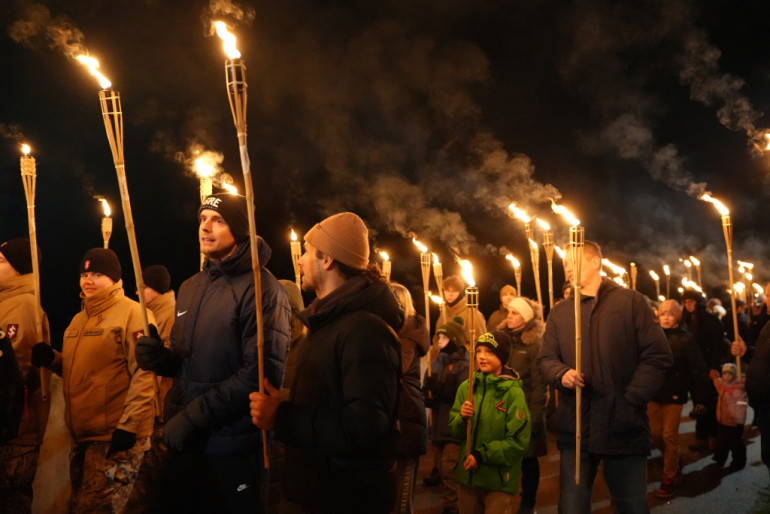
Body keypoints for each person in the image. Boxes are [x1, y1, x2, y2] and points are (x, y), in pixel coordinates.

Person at [134, 193, 291, 514]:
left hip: (232, 446)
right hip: (187, 442)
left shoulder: (263, 290)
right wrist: (159, 360)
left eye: (218, 220)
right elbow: (187, 360)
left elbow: (259, 374)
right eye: (202, 219)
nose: (205, 227)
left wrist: (194, 417)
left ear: (240, 229)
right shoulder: (192, 285)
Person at [249, 212, 402, 514]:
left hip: (342, 497)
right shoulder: (329, 324)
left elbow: (365, 429)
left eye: (307, 252)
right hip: (316, 491)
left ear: (328, 259)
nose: (301, 261)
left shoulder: (364, 330)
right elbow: (327, 401)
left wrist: (283, 417)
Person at [538, 241, 671, 514]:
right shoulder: (561, 312)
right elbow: (546, 359)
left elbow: (657, 356)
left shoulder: (630, 302)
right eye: (564, 263)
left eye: (573, 261)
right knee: (572, 506)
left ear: (596, 262)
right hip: (576, 427)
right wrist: (561, 374)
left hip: (622, 425)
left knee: (630, 505)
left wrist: (630, 399)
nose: (567, 268)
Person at [32, 248, 156, 513]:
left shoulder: (132, 314)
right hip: (83, 437)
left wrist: (130, 426)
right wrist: (53, 360)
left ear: (114, 278)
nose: (88, 280)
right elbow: (83, 372)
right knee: (79, 505)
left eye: (97, 274)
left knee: (98, 508)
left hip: (116, 439)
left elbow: (145, 373)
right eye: (84, 274)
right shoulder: (78, 320)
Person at [448, 330, 531, 514]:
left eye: (490, 352)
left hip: (498, 481)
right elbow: (455, 432)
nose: (482, 357)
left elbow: (518, 442)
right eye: (479, 351)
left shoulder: (512, 392)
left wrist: (482, 455)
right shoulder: (467, 387)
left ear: (502, 356)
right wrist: (462, 418)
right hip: (468, 477)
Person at [0, 238, 51, 514]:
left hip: (14, 429)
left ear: (19, 269)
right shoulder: (6, 302)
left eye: (1, 261)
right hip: (6, 428)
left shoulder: (23, 306)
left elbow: (13, 368)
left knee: (11, 502)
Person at [125, 264, 175, 513]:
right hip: (155, 408)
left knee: (155, 481)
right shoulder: (151, 312)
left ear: (155, 289)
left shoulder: (167, 314)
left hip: (161, 409)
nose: (136, 293)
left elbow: (163, 363)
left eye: (141, 287)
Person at [647, 299, 707, 499]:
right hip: (654, 393)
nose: (665, 317)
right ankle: (674, 460)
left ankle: (670, 477)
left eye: (670, 314)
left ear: (677, 317)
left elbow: (698, 370)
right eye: (662, 313)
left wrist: (700, 398)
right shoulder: (652, 336)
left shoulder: (686, 339)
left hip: (674, 394)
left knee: (668, 436)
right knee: (655, 434)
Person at [502, 297, 547, 514]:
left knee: (528, 461)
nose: (508, 316)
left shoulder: (534, 344)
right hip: (503, 411)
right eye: (508, 312)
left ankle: (528, 502)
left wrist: (535, 417)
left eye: (514, 313)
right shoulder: (502, 339)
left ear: (526, 317)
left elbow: (540, 385)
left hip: (525, 412)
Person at [389, 282, 430, 514]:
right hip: (402, 417)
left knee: (401, 502)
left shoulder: (406, 335)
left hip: (406, 418)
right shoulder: (400, 332)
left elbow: (397, 369)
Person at [422, 317, 469, 514]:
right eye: (438, 336)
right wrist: (426, 393)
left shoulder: (464, 366)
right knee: (441, 469)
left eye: (444, 337)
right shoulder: (436, 362)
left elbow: (460, 394)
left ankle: (454, 507)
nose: (439, 340)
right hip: (438, 426)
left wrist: (441, 390)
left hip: (453, 427)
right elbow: (427, 389)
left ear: (454, 339)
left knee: (450, 471)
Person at [681, 289, 726, 452]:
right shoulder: (685, 320)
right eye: (686, 302)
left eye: (691, 302)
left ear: (698, 303)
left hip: (707, 369)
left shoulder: (710, 320)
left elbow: (716, 346)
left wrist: (714, 366)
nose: (688, 305)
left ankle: (714, 437)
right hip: (693, 370)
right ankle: (702, 437)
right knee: (698, 404)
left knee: (708, 404)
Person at [709, 362, 747, 469]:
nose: (727, 376)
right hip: (722, 421)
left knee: (735, 444)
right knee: (721, 442)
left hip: (734, 423)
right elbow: (718, 383)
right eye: (724, 374)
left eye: (730, 374)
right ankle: (719, 458)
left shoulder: (738, 388)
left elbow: (742, 405)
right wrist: (715, 378)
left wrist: (739, 420)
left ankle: (739, 462)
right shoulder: (724, 386)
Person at [436, 276, 487, 347]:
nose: (450, 294)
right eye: (447, 290)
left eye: (454, 291)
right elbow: (437, 337)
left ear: (460, 292)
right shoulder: (444, 311)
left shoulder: (471, 313)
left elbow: (479, 343)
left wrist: (459, 352)